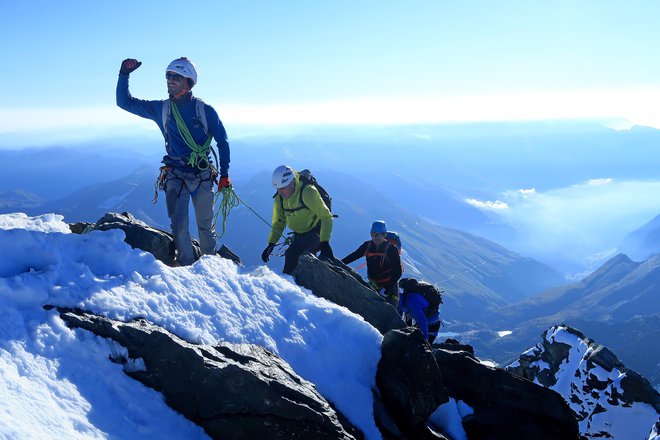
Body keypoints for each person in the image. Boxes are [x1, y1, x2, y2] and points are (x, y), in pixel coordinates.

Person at [116, 57, 231, 266]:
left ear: (189, 82)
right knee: (179, 226)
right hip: (176, 175)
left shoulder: (205, 111)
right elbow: (124, 102)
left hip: (201, 175)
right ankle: (187, 267)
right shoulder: (162, 109)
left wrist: (225, 175)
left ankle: (211, 267)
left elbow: (223, 142)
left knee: (205, 225)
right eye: (168, 76)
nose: (170, 80)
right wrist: (124, 74)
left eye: (175, 77)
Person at [261, 165, 334, 274]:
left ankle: (291, 285)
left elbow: (326, 216)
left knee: (293, 256)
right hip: (299, 235)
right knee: (293, 257)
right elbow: (279, 222)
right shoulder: (279, 198)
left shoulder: (308, 192)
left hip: (316, 232)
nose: (280, 192)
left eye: (283, 188)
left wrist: (324, 243)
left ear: (292, 182)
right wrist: (271, 243)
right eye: (278, 189)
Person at [341, 220, 402, 307]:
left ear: (385, 235)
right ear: (371, 234)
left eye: (381, 234)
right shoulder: (367, 245)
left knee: (387, 317)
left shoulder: (391, 249)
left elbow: (398, 271)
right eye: (375, 234)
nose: (378, 237)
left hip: (390, 288)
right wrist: (339, 262)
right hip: (374, 284)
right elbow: (354, 256)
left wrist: (387, 288)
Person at [398, 277, 442, 343]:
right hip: (430, 321)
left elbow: (422, 320)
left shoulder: (411, 301)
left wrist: (425, 342)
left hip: (431, 326)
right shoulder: (406, 297)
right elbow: (402, 316)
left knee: (421, 349)